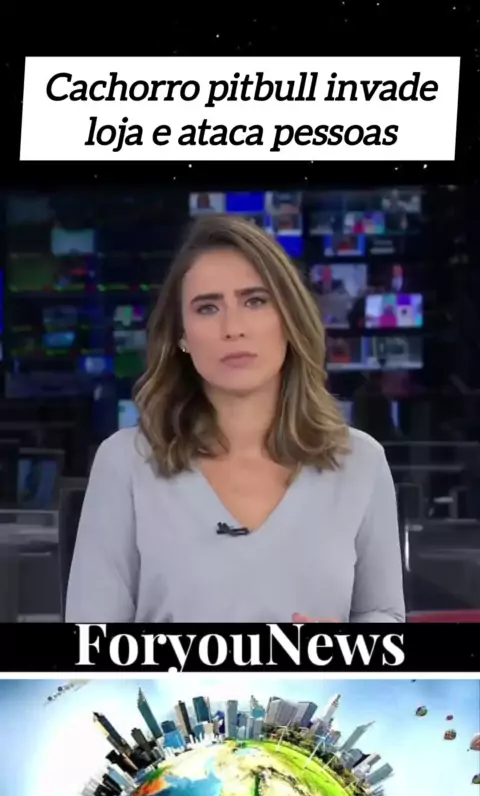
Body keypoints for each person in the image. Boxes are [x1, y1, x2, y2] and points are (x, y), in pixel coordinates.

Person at [66, 214, 405, 623]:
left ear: (289, 318)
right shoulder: (125, 462)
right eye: (207, 308)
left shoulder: (360, 461)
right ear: (182, 336)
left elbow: (383, 615)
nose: (233, 328)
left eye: (255, 301)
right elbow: (89, 634)